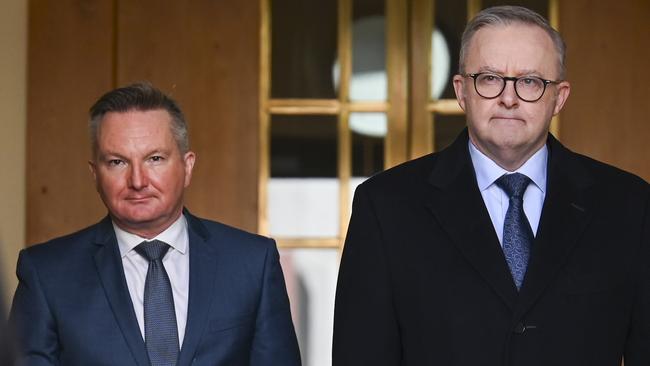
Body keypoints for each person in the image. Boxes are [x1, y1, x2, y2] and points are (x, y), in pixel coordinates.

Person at [333, 5, 650, 366]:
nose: (509, 97)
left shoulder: (628, 206)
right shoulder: (386, 206)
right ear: (461, 91)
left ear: (559, 97)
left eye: (530, 81)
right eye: (489, 78)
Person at [10, 83, 301, 366]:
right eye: (117, 162)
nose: (137, 181)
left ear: (187, 166)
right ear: (94, 174)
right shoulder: (47, 274)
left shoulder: (252, 263)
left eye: (155, 158)